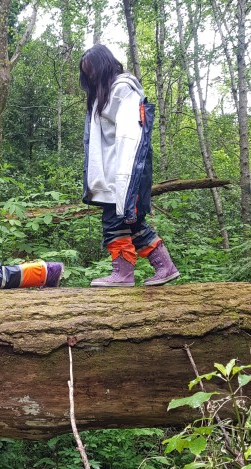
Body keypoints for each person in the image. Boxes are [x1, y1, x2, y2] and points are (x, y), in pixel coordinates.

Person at [79, 44, 180, 287]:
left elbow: (130, 138)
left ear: (102, 66)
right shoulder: (104, 95)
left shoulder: (123, 90)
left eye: (91, 70)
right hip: (111, 174)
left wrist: (127, 181)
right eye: (86, 73)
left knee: (115, 223)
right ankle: (164, 266)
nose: (90, 76)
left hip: (124, 172)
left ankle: (123, 274)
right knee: (132, 224)